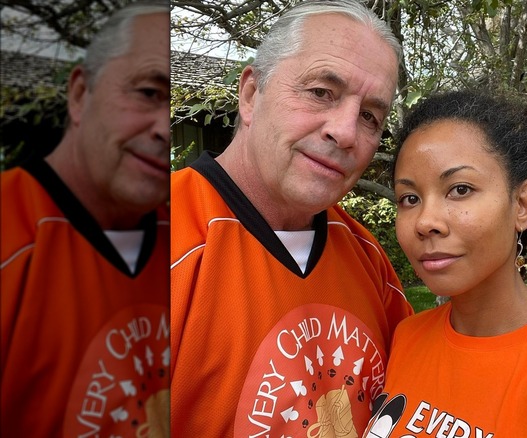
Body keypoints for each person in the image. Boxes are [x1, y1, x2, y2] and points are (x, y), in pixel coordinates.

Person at [169, 0, 413, 435]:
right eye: (321, 92)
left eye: (370, 117)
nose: (345, 132)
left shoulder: (370, 261)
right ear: (251, 94)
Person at [363, 90, 527, 437]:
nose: (425, 221)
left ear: (521, 204)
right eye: (410, 198)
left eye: (460, 189)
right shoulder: (407, 338)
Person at [0, 2, 171, 437]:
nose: (166, 128)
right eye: (150, 92)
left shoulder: (187, 236)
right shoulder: (12, 232)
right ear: (80, 94)